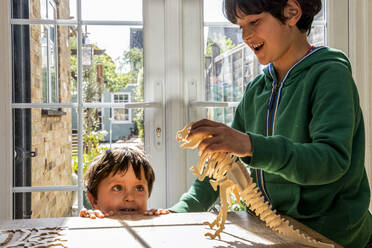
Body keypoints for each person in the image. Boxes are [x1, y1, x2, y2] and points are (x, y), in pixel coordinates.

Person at [169, 0, 372, 247]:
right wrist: (178, 213)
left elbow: (331, 160)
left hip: (331, 236)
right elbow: (223, 164)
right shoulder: (256, 90)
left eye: (254, 21)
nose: (245, 35)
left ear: (292, 12)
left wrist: (251, 145)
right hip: (267, 231)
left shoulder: (330, 75)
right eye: (240, 26)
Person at [80, 147, 169, 218]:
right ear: (94, 201)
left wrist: (159, 219)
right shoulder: (93, 223)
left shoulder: (150, 222)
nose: (130, 198)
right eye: (117, 188)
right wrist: (90, 219)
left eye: (139, 188)